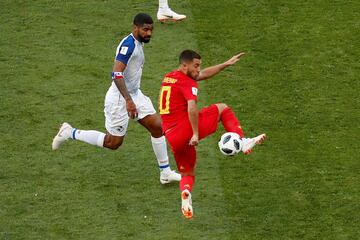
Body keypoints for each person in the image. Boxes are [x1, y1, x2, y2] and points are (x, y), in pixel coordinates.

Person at [52, 13, 181, 185]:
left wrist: (133, 98)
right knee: (113, 143)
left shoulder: (138, 43)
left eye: (151, 29)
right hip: (120, 99)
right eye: (145, 29)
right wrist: (128, 101)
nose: (149, 33)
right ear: (135, 27)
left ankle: (165, 173)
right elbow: (116, 73)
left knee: (158, 127)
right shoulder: (128, 46)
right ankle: (69, 132)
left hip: (135, 94)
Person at [159, 50, 266, 219]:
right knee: (222, 109)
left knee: (187, 173)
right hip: (185, 128)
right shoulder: (188, 83)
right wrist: (195, 134)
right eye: (196, 66)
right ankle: (242, 141)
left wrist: (225, 64)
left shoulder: (170, 76)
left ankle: (186, 193)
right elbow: (192, 108)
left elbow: (203, 74)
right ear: (185, 65)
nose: (198, 69)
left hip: (171, 136)